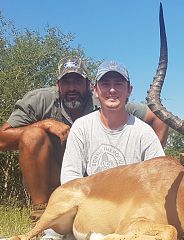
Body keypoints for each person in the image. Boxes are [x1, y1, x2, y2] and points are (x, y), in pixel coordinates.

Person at [0, 56, 168, 228]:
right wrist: (44, 124)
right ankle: (41, 214)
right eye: (66, 82)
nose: (72, 87)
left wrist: (148, 167)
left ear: (89, 86)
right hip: (64, 179)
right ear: (58, 85)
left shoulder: (109, 101)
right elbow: (2, 139)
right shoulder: (40, 100)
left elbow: (158, 118)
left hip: (100, 186)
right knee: (32, 135)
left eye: (78, 81)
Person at [61, 60, 165, 184]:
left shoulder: (144, 132)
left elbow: (160, 176)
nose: (112, 90)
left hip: (133, 199)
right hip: (92, 199)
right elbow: (70, 175)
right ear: (95, 91)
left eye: (118, 84)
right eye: (105, 84)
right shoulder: (81, 127)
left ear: (129, 90)